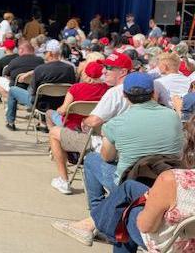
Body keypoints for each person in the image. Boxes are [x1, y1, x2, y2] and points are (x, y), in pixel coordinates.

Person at [52, 72, 184, 246]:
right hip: (163, 181)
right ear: (154, 93)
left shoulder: (115, 124)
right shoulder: (173, 117)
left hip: (132, 180)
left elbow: (107, 157)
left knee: (92, 159)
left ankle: (98, 216)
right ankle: (101, 218)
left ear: (124, 95)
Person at [90, 117, 195, 252]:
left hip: (176, 245)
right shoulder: (170, 115)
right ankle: (97, 222)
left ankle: (98, 224)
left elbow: (146, 226)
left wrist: (147, 205)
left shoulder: (172, 179)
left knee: (126, 214)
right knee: (130, 187)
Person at [46, 61, 109, 194]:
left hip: (74, 128)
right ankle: (59, 150)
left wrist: (60, 109)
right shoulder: (107, 90)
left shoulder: (76, 88)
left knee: (50, 114)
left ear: (85, 73)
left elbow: (62, 111)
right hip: (97, 132)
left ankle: (63, 176)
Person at [5, 40, 75, 131]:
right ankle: (44, 122)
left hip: (41, 104)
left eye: (45, 52)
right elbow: (72, 88)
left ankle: (10, 122)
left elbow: (33, 91)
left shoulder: (40, 69)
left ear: (50, 53)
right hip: (60, 103)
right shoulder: (69, 69)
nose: (44, 54)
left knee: (13, 90)